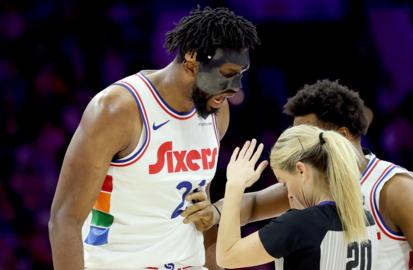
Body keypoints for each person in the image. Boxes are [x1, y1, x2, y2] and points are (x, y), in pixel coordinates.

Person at [48, 6, 260, 270]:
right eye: (227, 75)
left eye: (241, 75)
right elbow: (64, 219)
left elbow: (200, 210)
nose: (236, 88)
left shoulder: (216, 110)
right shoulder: (118, 109)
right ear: (192, 59)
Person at [193, 80, 413, 269]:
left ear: (342, 136)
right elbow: (251, 205)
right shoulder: (314, 185)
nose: (300, 145)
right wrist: (214, 213)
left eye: (308, 136)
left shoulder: (393, 189)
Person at [215, 128, 379, 269]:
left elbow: (227, 256)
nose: (288, 194)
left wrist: (234, 186)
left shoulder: (300, 223)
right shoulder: (367, 219)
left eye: (284, 183)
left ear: (301, 170)